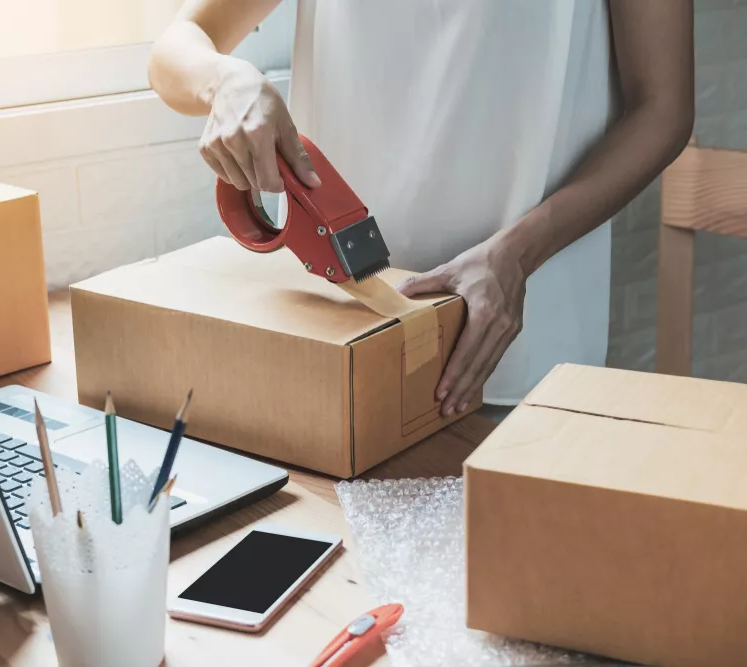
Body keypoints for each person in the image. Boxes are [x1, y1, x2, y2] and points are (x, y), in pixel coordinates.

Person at [148, 1, 693, 417]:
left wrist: (517, 255)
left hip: (512, 346)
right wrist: (227, 80)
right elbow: (177, 46)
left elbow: (662, 108)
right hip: (336, 336)